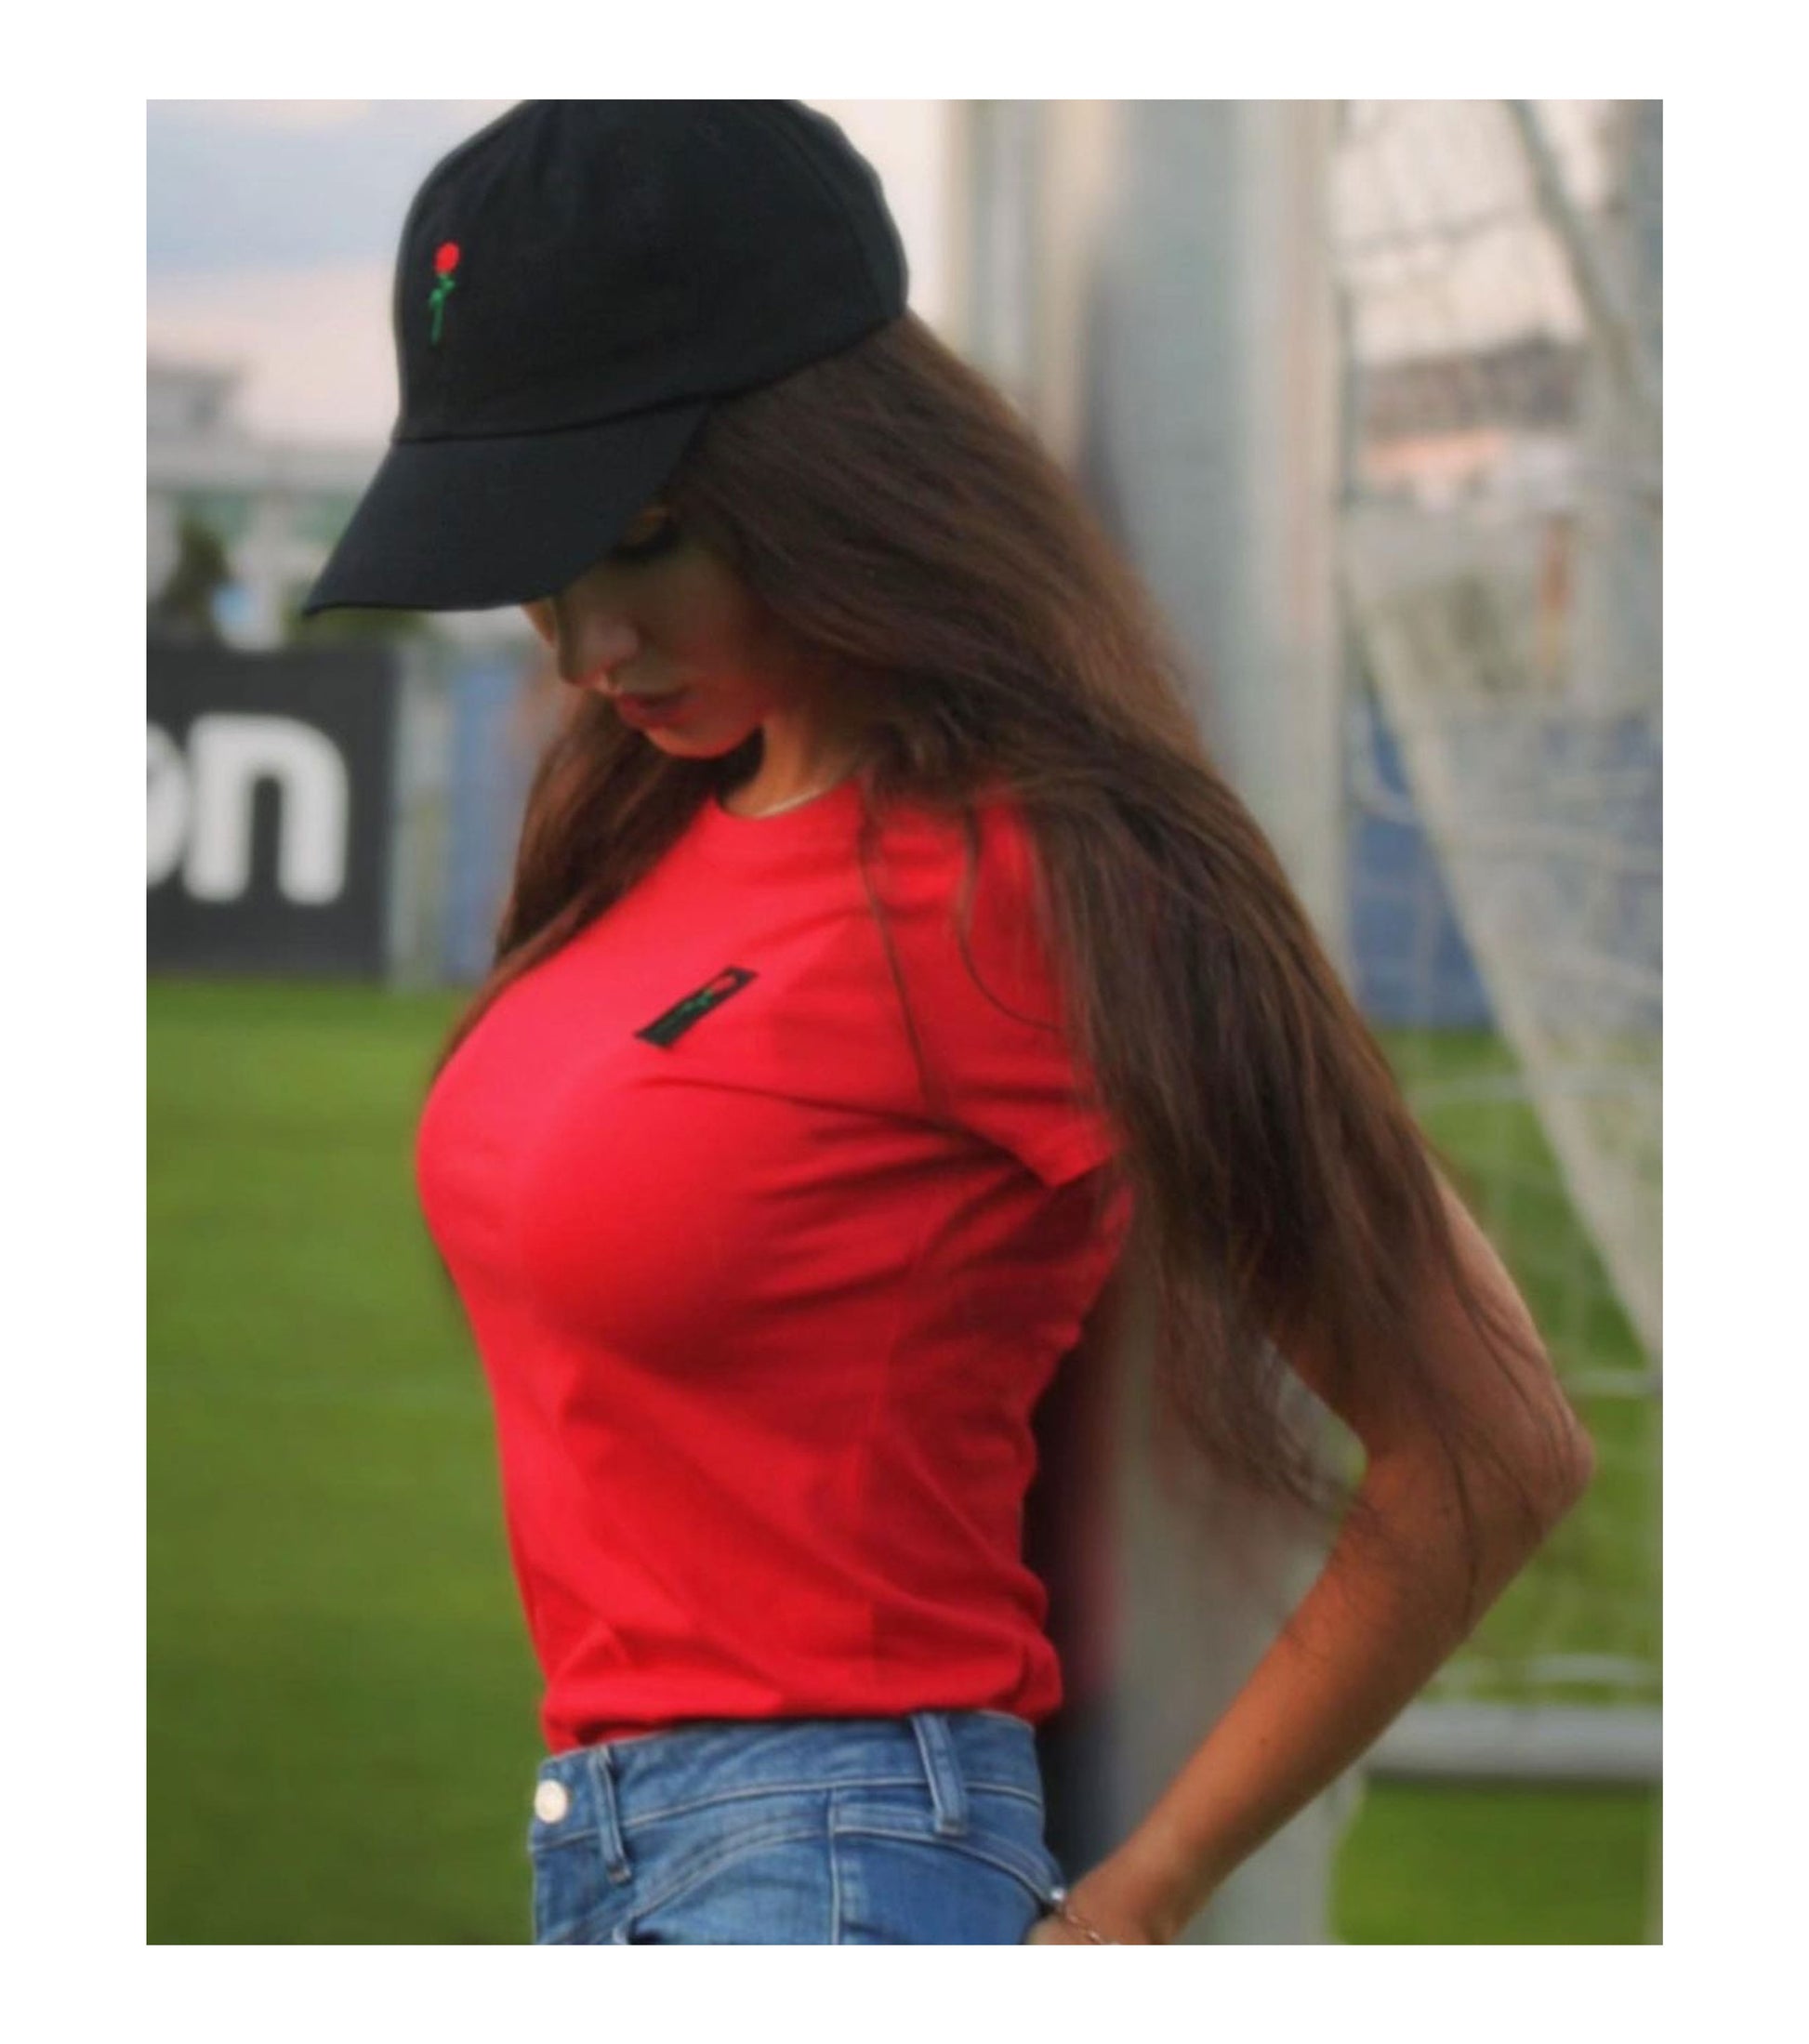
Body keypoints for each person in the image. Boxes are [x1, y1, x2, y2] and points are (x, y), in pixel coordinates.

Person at [303, 100, 1595, 1946]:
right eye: (537, 560)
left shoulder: (1030, 886)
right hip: (607, 1843)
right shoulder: (654, 824)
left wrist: (1143, 1895)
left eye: (643, 541)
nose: (585, 646)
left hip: (838, 1861)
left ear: (836, 481)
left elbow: (1490, 1440)